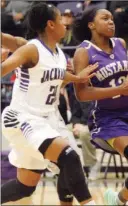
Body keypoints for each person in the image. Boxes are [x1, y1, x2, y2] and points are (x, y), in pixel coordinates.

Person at [1, 3, 99, 205]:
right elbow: (4, 66)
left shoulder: (59, 55)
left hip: (50, 119)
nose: (65, 21)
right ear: (50, 24)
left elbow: (56, 78)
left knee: (25, 187)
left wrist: (77, 78)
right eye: (61, 17)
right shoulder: (30, 49)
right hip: (24, 117)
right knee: (69, 157)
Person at [72, 7, 128, 206]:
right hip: (108, 115)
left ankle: (117, 201)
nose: (111, 22)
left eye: (112, 18)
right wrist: (121, 89)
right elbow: (82, 93)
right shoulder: (83, 52)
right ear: (91, 25)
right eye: (105, 18)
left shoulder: (120, 43)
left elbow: (127, 79)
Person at [70, 91, 101, 181]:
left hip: (97, 126)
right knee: (62, 132)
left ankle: (93, 164)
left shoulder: (101, 93)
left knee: (84, 133)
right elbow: (75, 114)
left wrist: (86, 126)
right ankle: (67, 168)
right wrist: (75, 124)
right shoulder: (79, 94)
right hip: (81, 125)